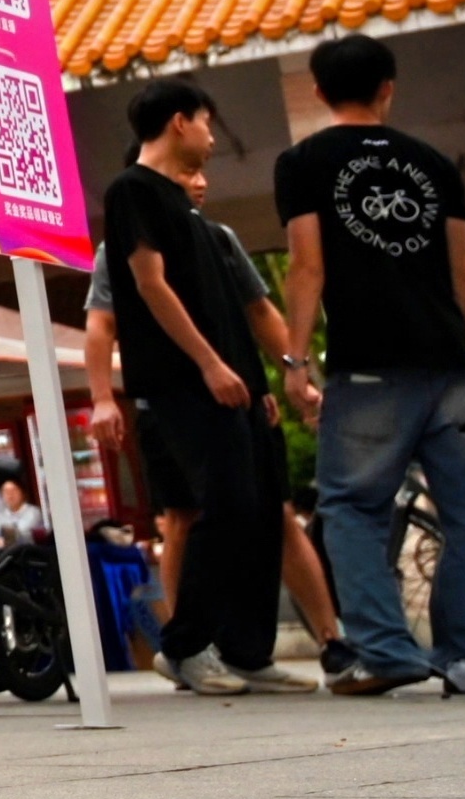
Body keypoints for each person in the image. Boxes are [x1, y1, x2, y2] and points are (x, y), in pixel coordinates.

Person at [275, 34, 465, 695]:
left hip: (368, 365)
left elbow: (306, 265)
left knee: (348, 507)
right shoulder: (434, 164)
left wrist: (294, 359)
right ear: (387, 88)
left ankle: (386, 653)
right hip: (447, 364)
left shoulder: (303, 162)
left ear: (316, 90)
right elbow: (463, 277)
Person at [93, 79, 309, 696]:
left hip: (237, 385)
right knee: (226, 503)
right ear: (179, 122)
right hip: (183, 382)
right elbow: (150, 286)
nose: (214, 138)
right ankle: (185, 646)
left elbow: (229, 308)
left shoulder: (193, 212)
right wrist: (210, 365)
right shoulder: (133, 191)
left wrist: (264, 376)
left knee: (264, 507)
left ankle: (247, 649)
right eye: (208, 124)